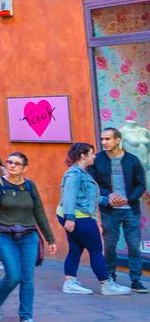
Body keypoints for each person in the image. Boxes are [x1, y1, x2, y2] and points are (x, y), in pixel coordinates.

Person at [0, 151, 57, 322]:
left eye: (17, 163)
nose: (12, 165)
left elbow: (39, 213)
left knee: (27, 278)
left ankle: (26, 317)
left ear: (25, 168)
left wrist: (50, 238)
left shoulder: (30, 186)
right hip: (4, 234)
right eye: (10, 162)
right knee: (13, 275)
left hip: (29, 235)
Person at [57, 142, 130, 296]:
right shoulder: (75, 174)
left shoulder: (84, 173)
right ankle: (106, 284)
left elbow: (88, 196)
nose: (94, 156)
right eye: (91, 153)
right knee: (96, 250)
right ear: (83, 156)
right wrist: (70, 218)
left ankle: (70, 283)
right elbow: (68, 196)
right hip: (79, 216)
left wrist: (107, 201)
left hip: (76, 215)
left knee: (75, 249)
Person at [89, 126, 147, 293]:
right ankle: (110, 278)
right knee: (110, 246)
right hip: (109, 210)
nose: (103, 142)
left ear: (117, 140)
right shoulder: (97, 160)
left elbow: (141, 184)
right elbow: (93, 184)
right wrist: (109, 196)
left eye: (107, 139)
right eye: (102, 139)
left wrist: (128, 199)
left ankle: (136, 280)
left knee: (134, 246)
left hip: (131, 210)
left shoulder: (132, 160)